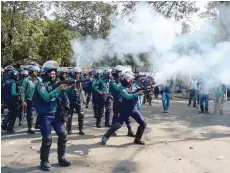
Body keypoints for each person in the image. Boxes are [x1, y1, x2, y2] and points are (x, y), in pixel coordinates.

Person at [36, 60, 74, 171]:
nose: (53, 74)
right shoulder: (41, 85)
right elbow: (46, 97)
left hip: (56, 114)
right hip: (45, 115)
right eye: (50, 72)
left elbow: (64, 91)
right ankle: (44, 161)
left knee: (63, 134)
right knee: (47, 138)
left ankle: (61, 157)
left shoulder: (57, 82)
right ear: (45, 73)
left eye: (54, 72)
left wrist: (73, 87)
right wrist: (58, 89)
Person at [101, 72, 146, 145]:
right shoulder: (122, 88)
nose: (130, 81)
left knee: (143, 123)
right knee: (118, 125)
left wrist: (146, 91)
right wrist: (138, 93)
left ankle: (137, 139)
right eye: (128, 79)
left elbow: (141, 91)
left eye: (131, 79)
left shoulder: (134, 85)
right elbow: (128, 96)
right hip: (126, 109)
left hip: (133, 109)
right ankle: (105, 137)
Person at [110, 67, 135, 137]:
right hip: (116, 100)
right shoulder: (112, 81)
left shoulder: (121, 80)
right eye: (119, 73)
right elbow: (117, 88)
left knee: (126, 115)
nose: (120, 74)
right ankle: (112, 131)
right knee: (115, 116)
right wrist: (123, 82)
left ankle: (130, 130)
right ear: (115, 74)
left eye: (121, 73)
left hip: (123, 99)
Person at [21, 65, 41, 134]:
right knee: (31, 114)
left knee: (40, 112)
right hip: (30, 98)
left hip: (38, 98)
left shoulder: (39, 79)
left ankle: (38, 125)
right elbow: (23, 90)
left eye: (37, 71)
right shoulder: (26, 80)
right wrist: (23, 100)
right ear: (32, 72)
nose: (37, 72)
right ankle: (30, 127)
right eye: (35, 71)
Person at [67, 67, 86, 135]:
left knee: (81, 114)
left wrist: (83, 98)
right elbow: (66, 89)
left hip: (78, 100)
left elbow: (81, 90)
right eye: (77, 73)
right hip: (71, 100)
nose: (78, 75)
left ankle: (81, 129)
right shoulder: (69, 80)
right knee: (69, 115)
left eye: (79, 73)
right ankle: (69, 129)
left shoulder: (80, 81)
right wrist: (72, 86)